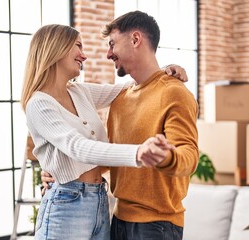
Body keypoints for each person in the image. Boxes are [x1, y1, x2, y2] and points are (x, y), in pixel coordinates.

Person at [21, 24, 187, 240]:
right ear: (56, 48)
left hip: (99, 200)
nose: (84, 55)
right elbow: (76, 147)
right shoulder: (39, 103)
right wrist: (136, 153)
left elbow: (127, 88)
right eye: (78, 46)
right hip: (66, 204)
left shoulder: (79, 91)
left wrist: (164, 71)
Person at [103, 11, 199, 240]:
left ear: (135, 40)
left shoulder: (174, 92)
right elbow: (111, 155)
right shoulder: (120, 98)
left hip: (157, 226)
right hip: (119, 220)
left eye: (112, 44)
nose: (108, 54)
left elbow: (189, 154)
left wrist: (166, 158)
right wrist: (60, 173)